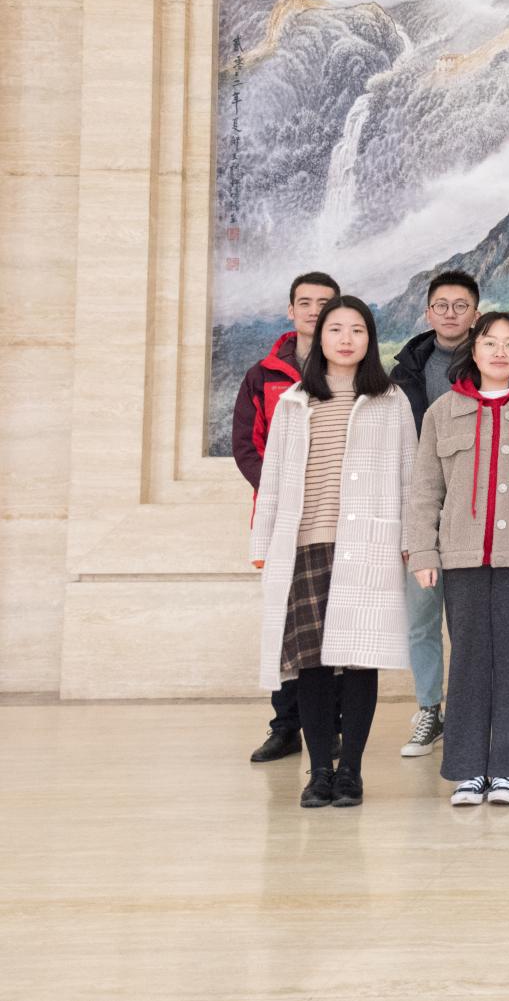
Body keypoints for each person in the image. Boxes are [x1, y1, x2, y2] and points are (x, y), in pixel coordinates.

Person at [249, 296, 415, 808]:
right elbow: (273, 480)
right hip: (305, 544)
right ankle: (320, 772)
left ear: (370, 340)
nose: (346, 339)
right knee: (312, 663)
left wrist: (411, 542)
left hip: (367, 544)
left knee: (361, 660)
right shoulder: (295, 401)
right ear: (319, 337)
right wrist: (262, 544)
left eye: (357, 330)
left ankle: (351, 773)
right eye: (336, 329)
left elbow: (410, 476)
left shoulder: (391, 400)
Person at [404, 312, 509, 806]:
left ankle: (506, 770)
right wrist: (424, 551)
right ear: (473, 351)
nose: (500, 352)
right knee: (469, 662)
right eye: (490, 343)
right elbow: (425, 491)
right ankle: (466, 769)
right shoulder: (442, 412)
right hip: (461, 557)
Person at [232, 270, 338, 763]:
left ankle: (330, 726)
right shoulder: (263, 375)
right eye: (306, 302)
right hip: (281, 520)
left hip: (334, 515)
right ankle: (286, 726)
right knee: (286, 619)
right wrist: (282, 492)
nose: (314, 310)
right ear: (291, 310)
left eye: (324, 302)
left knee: (332, 620)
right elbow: (246, 446)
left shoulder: (349, 370)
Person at [388, 269, 480, 759]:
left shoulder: (491, 362)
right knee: (422, 618)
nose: (450, 313)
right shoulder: (405, 371)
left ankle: (466, 712)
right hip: (420, 505)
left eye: (460, 305)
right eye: (441, 305)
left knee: (467, 623)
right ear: (428, 313)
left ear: (475, 314)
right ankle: (430, 709)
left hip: (474, 507)